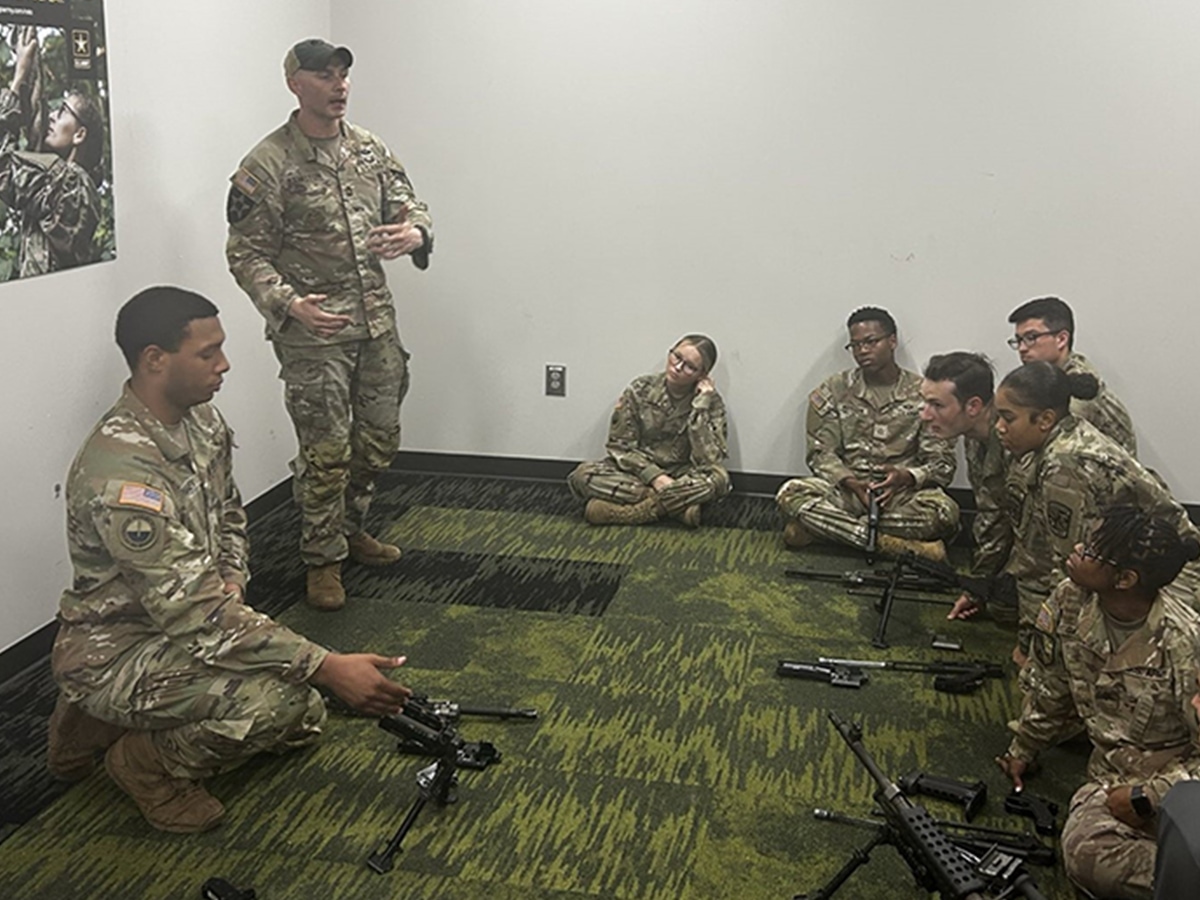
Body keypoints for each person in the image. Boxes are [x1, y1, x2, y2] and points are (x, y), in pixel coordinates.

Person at [46, 286, 412, 834]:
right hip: (118, 648)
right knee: (280, 707)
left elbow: (230, 516)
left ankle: (91, 722)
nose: (224, 364)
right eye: (207, 352)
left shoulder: (202, 424)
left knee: (307, 716)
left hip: (185, 626)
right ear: (154, 360)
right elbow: (194, 614)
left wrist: (233, 577)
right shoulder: (122, 474)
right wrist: (328, 665)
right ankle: (142, 765)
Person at [226, 39, 433, 611]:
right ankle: (321, 559)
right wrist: (290, 304)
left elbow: (411, 205)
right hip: (314, 333)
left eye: (343, 75)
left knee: (379, 438)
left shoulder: (368, 150)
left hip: (375, 325)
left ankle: (350, 525)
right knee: (326, 450)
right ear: (295, 83)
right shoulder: (267, 165)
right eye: (324, 76)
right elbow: (246, 254)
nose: (339, 85)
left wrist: (415, 233)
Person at [998, 505, 1200, 900]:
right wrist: (1024, 746)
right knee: (1087, 853)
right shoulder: (1070, 599)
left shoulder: (1185, 642)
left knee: (1087, 853)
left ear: (1125, 579)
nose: (1076, 549)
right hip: (1112, 772)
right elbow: (1053, 685)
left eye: (1091, 550)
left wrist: (1150, 796)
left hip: (1178, 779)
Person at [987, 362, 1200, 661]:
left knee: (1097, 664)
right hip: (1120, 562)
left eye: (1008, 418)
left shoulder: (1066, 462)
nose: (999, 427)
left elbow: (1074, 570)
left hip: (1168, 571)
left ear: (1046, 419)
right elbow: (1035, 553)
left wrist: (1041, 648)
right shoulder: (1048, 447)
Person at [777, 307, 959, 560]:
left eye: (871, 342)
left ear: (892, 341)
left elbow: (941, 464)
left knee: (944, 513)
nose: (862, 351)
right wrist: (851, 482)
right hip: (848, 491)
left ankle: (825, 530)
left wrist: (907, 477)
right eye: (855, 345)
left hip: (900, 496)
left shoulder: (924, 394)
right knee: (791, 494)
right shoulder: (835, 389)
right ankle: (893, 545)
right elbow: (820, 453)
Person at [567, 335, 730, 527]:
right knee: (582, 476)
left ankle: (633, 513)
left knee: (719, 480)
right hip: (638, 471)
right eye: (676, 357)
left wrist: (701, 407)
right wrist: (655, 477)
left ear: (702, 374)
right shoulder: (641, 388)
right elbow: (620, 447)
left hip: (682, 474)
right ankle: (675, 507)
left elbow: (709, 459)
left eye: (689, 367)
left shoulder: (711, 401)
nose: (677, 367)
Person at [919, 352, 1019, 615]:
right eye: (925, 403)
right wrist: (979, 585)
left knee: (1005, 610)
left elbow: (1037, 538)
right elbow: (993, 515)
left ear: (973, 406)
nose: (925, 415)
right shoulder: (974, 436)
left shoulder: (1018, 442)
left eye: (937, 405)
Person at [0, 28, 103, 277]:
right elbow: (37, 117)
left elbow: (3, 169)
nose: (54, 115)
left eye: (64, 110)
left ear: (79, 135)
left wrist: (19, 78)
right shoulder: (73, 183)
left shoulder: (69, 183)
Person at [1007, 296, 1137, 455]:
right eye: (1018, 340)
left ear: (1061, 339)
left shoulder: (1081, 380)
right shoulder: (1044, 379)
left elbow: (1053, 437)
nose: (1022, 348)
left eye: (1031, 338)